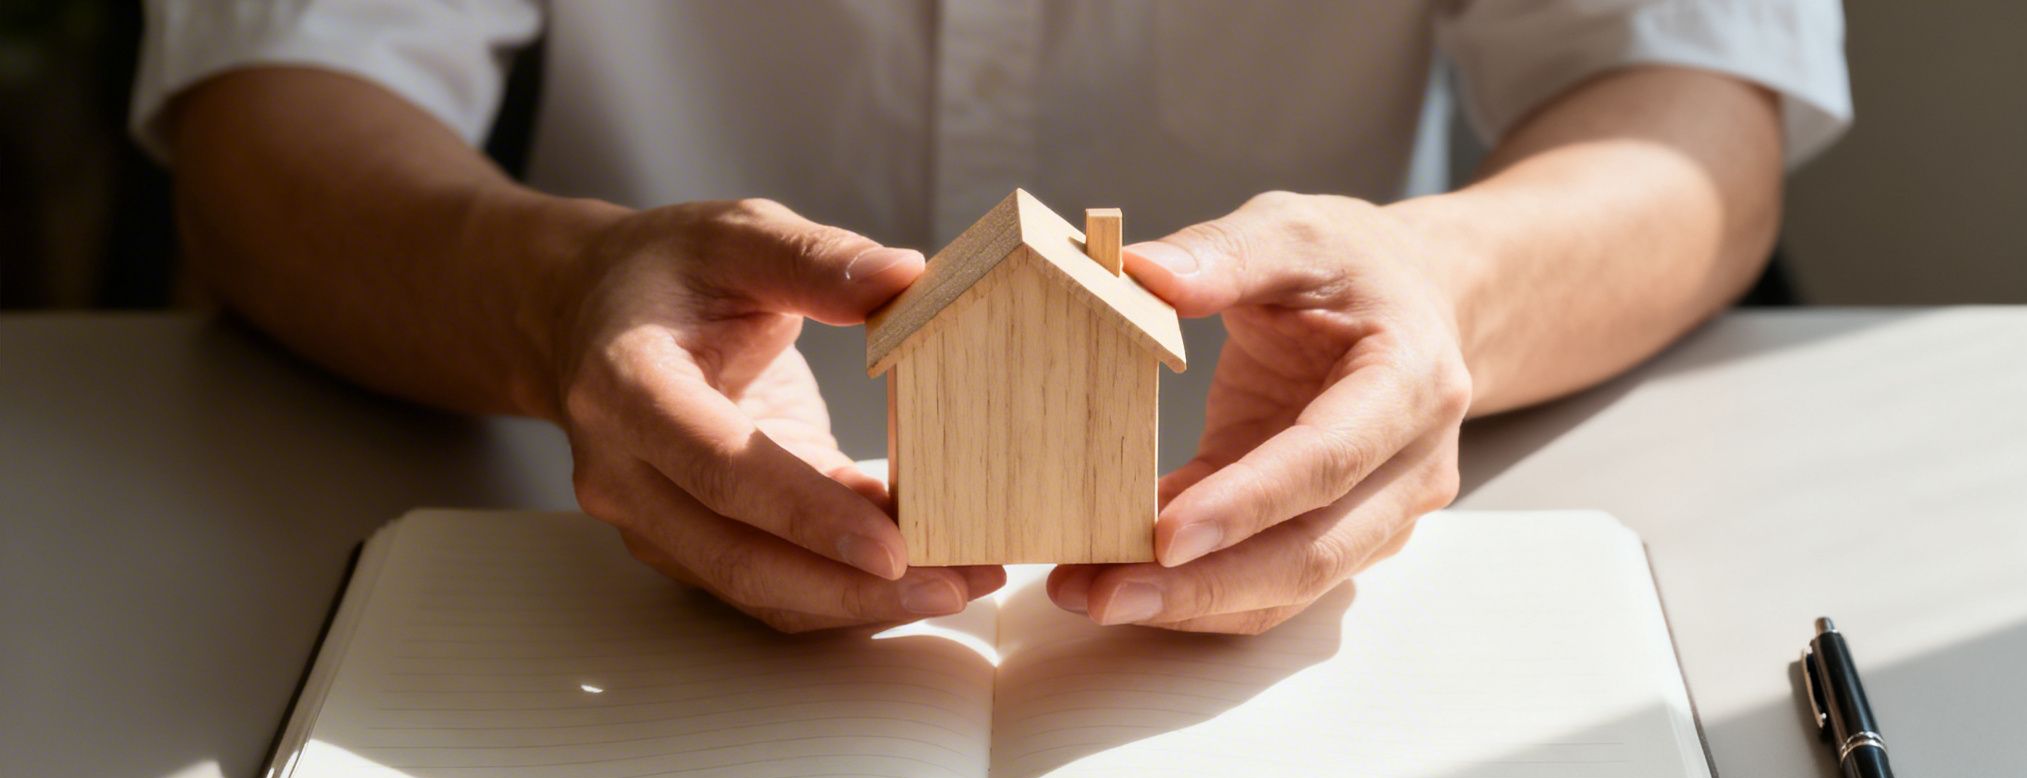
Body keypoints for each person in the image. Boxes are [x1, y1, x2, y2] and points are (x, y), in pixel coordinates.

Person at [133, 2, 1849, 634]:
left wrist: (1447, 284)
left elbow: (1693, 99)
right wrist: (548, 299)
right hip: (587, 539)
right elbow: (271, 106)